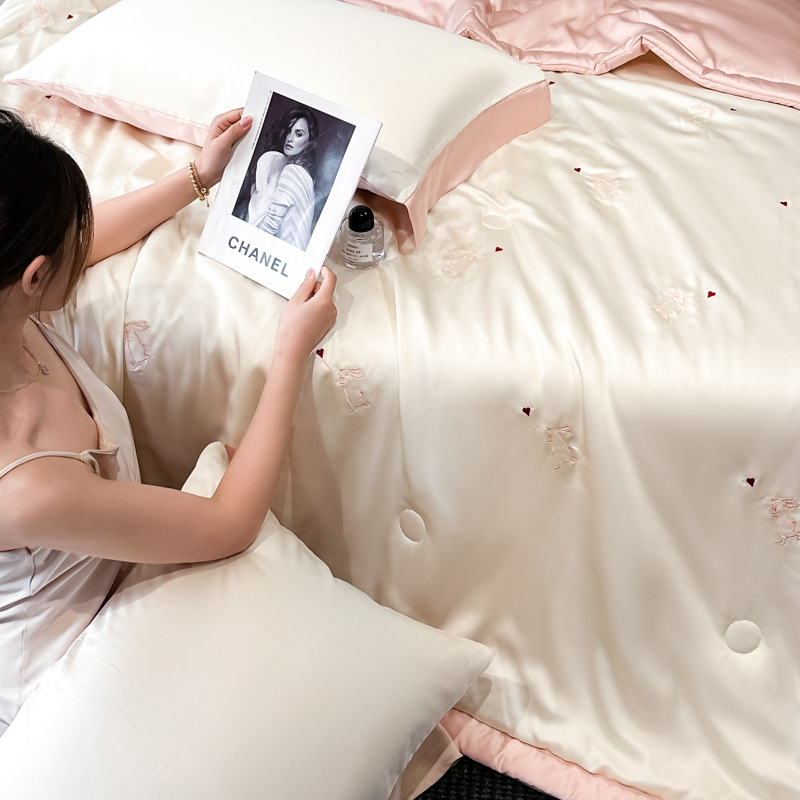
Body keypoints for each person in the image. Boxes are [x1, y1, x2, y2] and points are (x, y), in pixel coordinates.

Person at [0, 107, 337, 735]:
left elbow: (83, 243)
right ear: (34, 276)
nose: (84, 237)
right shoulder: (27, 484)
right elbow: (228, 525)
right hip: (62, 685)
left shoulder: (10, 310)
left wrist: (197, 175)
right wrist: (291, 352)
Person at [246, 106, 319, 250]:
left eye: (298, 134)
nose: (290, 138)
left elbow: (269, 227)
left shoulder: (293, 172)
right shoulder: (302, 174)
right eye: (288, 131)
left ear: (309, 142)